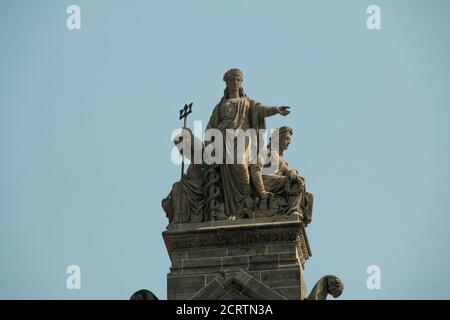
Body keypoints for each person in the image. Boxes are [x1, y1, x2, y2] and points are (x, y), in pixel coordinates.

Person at [206, 68, 290, 218]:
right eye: (233, 80)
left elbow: (261, 109)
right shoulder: (219, 107)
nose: (235, 83)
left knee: (240, 166)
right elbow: (211, 127)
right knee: (229, 173)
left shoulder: (247, 102)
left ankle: (247, 203)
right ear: (227, 83)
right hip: (225, 141)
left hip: (244, 138)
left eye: (238, 80)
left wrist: (276, 109)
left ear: (241, 82)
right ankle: (236, 210)